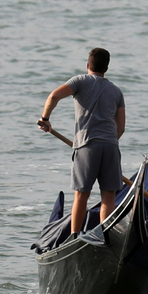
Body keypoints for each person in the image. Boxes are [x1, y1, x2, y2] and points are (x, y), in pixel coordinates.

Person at [37, 48, 125, 236]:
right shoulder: (116, 91)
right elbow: (121, 128)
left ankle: (75, 235)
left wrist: (45, 118)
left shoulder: (79, 81)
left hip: (87, 145)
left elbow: (53, 96)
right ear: (106, 68)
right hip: (110, 145)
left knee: (81, 195)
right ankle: (106, 237)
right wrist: (107, 141)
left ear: (87, 65)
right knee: (108, 197)